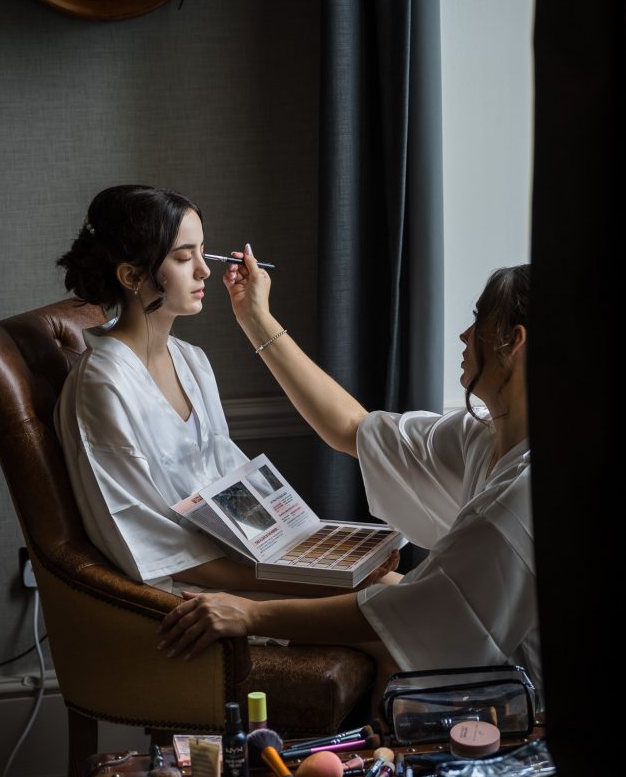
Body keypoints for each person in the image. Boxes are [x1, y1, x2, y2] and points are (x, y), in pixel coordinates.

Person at [157, 252, 541, 698]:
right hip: (485, 644)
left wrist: (249, 614)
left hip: (528, 691)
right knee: (377, 587)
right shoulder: (481, 437)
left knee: (393, 643)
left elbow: (425, 613)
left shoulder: (528, 491)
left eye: (479, 320)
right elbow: (352, 428)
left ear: (513, 340)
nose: (463, 334)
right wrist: (254, 316)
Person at [54, 185, 372, 602]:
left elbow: (229, 479)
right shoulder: (103, 384)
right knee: (392, 609)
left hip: (244, 560)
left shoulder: (191, 361)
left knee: (402, 594)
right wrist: (298, 580)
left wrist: (314, 555)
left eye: (203, 253)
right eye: (185, 258)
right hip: (189, 590)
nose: (204, 270)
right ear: (132, 275)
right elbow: (145, 541)